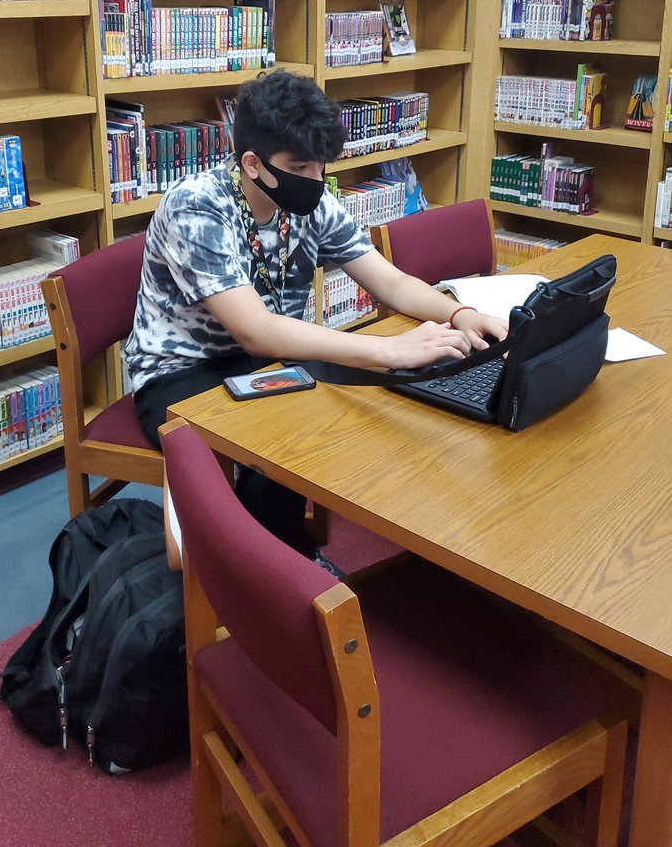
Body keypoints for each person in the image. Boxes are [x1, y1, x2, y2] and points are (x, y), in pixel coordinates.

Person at [126, 70, 507, 560]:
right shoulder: (198, 207)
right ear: (252, 163)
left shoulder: (311, 201)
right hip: (182, 373)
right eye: (300, 166)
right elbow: (255, 330)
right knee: (293, 425)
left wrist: (460, 314)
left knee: (327, 415)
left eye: (320, 167)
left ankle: (278, 557)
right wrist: (383, 348)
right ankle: (255, 570)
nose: (315, 181)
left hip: (267, 357)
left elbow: (388, 281)